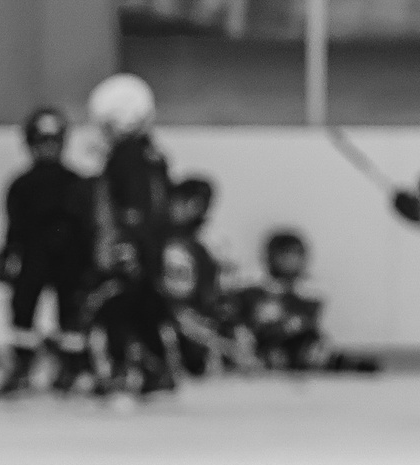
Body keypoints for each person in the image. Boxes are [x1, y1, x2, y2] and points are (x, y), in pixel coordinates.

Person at [85, 72, 177, 397]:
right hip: (148, 250)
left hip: (129, 250)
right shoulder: (153, 156)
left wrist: (125, 247)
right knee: (145, 307)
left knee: (119, 310)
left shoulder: (126, 158)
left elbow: (128, 207)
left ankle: (123, 369)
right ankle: (155, 367)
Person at [0, 106, 97, 395]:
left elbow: (87, 227)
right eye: (42, 143)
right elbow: (13, 226)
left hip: (69, 261)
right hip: (33, 258)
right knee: (23, 313)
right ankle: (23, 365)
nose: (47, 149)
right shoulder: (22, 184)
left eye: (52, 142)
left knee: (71, 316)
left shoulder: (77, 183)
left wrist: (89, 264)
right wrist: (6, 255)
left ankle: (72, 366)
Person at [229, 228, 382, 372]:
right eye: (285, 255)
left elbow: (303, 326)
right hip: (258, 347)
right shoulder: (251, 292)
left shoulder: (308, 296)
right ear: (271, 257)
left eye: (296, 255)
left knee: (312, 346)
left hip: (292, 348)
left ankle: (342, 363)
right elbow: (241, 323)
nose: (291, 262)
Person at [158, 175, 230, 376]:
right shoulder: (156, 239)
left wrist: (206, 316)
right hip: (161, 312)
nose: (188, 209)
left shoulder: (204, 246)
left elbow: (211, 290)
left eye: (197, 204)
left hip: (192, 316)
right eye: (183, 202)